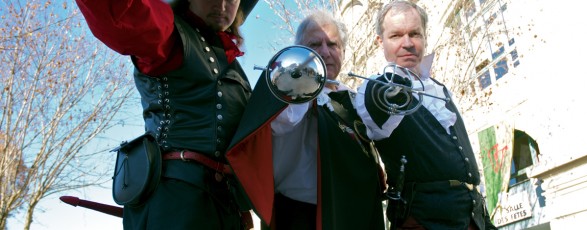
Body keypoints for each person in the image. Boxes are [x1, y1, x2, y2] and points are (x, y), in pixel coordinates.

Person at [75, 0, 257, 229]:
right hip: (175, 200)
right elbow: (119, 12)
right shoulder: (167, 34)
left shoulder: (229, 58)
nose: (222, 4)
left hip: (226, 205)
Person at [225, 10, 386, 230]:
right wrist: (301, 81)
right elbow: (279, 124)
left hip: (351, 213)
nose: (325, 52)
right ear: (299, 51)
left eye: (333, 45)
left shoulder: (354, 98)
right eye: (314, 44)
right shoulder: (285, 88)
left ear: (343, 52)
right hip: (297, 214)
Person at [355, 1, 497, 229]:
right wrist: (393, 87)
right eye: (396, 36)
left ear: (425, 38)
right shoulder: (375, 88)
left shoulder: (440, 89)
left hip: (474, 217)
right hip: (421, 220)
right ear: (380, 42)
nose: (408, 43)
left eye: (415, 34)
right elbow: (380, 105)